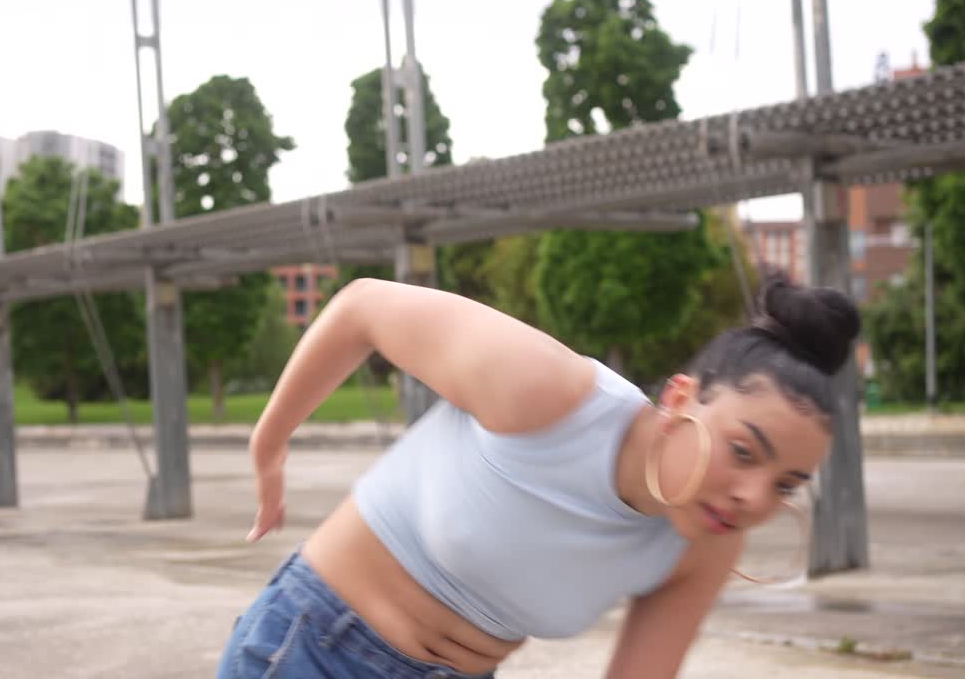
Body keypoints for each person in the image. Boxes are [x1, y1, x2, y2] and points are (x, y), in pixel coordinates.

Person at [216, 271, 860, 679]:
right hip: (316, 649)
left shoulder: (710, 540)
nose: (753, 497)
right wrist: (269, 444)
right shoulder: (549, 393)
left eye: (786, 485)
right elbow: (362, 308)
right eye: (744, 451)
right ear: (680, 398)